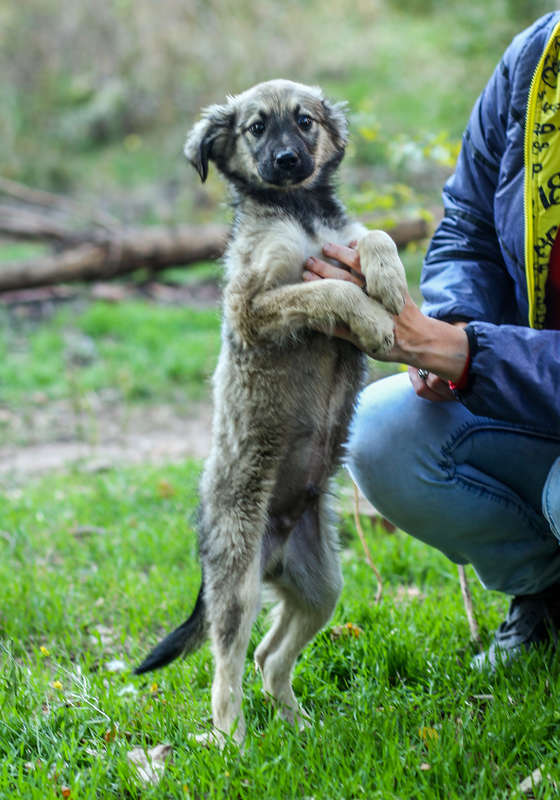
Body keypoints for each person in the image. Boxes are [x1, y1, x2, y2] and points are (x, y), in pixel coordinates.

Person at [303, 11, 560, 669]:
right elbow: (469, 222)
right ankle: (548, 601)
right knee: (385, 432)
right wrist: (451, 327)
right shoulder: (539, 58)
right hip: (537, 388)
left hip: (527, 375)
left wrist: (471, 354)